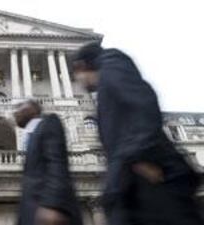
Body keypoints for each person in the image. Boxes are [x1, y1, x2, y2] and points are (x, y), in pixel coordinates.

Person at [72, 42, 203, 225]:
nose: (78, 83)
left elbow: (144, 103)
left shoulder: (112, 67)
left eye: (76, 76)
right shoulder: (106, 82)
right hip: (133, 180)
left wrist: (140, 156)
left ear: (82, 66)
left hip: (148, 175)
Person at [14, 100, 82, 225]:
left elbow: (56, 162)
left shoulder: (49, 122)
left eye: (20, 107)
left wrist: (53, 205)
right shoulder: (29, 135)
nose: (16, 111)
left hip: (51, 210)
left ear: (33, 110)